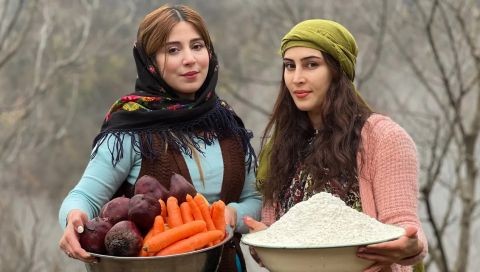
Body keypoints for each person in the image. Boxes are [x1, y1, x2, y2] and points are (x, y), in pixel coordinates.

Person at [58, 4, 261, 272]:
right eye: (173, 50)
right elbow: (84, 196)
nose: (189, 59)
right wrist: (74, 218)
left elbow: (255, 199)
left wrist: (233, 215)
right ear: (149, 61)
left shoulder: (227, 124)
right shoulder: (129, 131)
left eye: (197, 46)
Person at [244, 19, 427, 272]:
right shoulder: (280, 146)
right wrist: (263, 244)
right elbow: (277, 241)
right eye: (289, 66)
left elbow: (404, 226)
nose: (297, 78)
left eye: (311, 65)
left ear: (337, 70)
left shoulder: (384, 138)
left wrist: (411, 247)